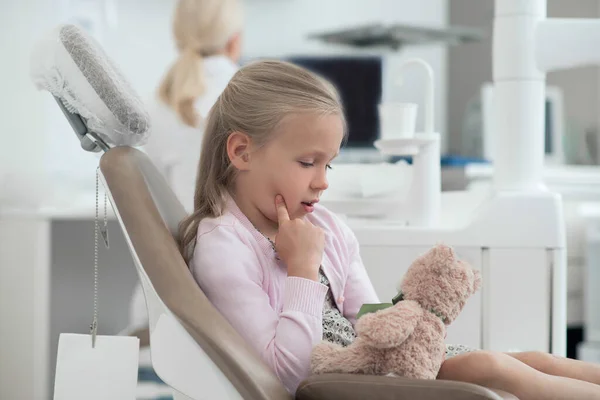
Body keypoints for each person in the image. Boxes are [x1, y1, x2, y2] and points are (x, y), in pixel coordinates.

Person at [177, 59, 600, 399]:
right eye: (308, 162)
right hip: (337, 381)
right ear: (242, 151)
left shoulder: (327, 227)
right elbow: (286, 374)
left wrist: (418, 315)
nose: (323, 180)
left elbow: (367, 319)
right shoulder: (222, 246)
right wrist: (303, 269)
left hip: (375, 362)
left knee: (523, 359)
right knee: (491, 369)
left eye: (329, 163)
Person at [144, 0, 243, 213]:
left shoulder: (156, 103)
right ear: (234, 41)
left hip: (181, 241)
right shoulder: (253, 93)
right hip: (242, 242)